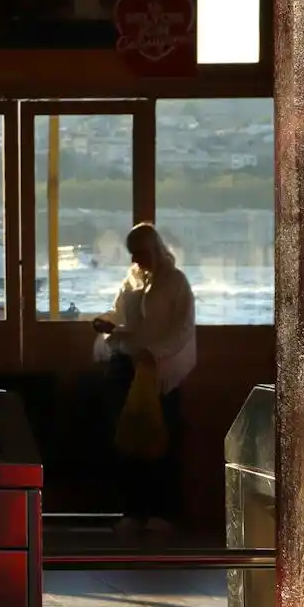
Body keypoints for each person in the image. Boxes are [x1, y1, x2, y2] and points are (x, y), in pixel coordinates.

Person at [91, 222, 196, 540]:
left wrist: (155, 353)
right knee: (128, 441)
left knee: (162, 441)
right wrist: (107, 322)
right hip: (127, 366)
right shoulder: (131, 282)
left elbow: (183, 328)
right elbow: (119, 312)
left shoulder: (176, 283)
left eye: (142, 253)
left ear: (156, 250)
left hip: (160, 371)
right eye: (133, 255)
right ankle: (133, 511)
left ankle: (165, 513)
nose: (137, 260)